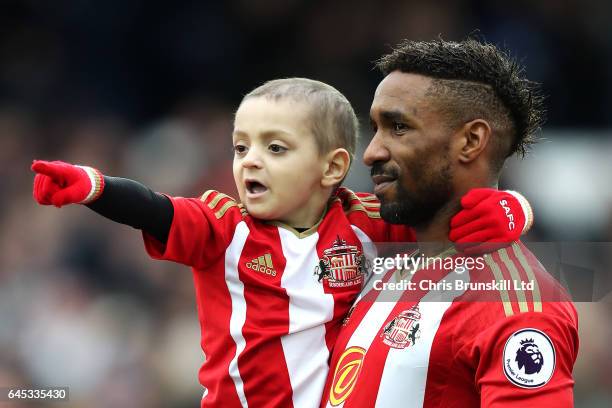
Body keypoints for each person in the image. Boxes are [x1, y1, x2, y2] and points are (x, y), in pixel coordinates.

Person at [31, 78, 532, 408]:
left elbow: (455, 215)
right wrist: (96, 187)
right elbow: (158, 209)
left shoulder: (366, 222)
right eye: (241, 146)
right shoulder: (225, 227)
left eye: (275, 148)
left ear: (332, 168)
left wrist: (515, 209)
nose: (250, 160)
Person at [321, 39, 578, 407]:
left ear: (471, 141)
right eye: (375, 128)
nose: (372, 152)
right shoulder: (382, 253)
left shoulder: (516, 304)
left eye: (398, 127)